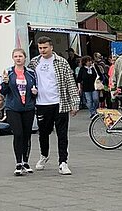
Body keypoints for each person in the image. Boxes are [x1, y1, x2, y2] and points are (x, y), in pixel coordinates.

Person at [29, 36, 80, 175]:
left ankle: (63, 162)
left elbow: (70, 82)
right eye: (40, 48)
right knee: (43, 133)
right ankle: (44, 155)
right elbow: (28, 80)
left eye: (45, 47)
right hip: (41, 103)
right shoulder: (34, 63)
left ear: (51, 47)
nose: (42, 50)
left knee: (62, 134)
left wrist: (74, 103)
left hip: (60, 103)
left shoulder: (61, 62)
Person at [1, 48, 38, 175]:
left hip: (28, 108)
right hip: (13, 108)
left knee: (27, 135)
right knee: (18, 134)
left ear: (25, 58)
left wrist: (35, 93)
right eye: (16, 56)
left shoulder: (31, 73)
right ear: (13, 58)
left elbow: (35, 88)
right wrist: (5, 83)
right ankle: (18, 162)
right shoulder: (9, 72)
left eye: (20, 56)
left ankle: (26, 161)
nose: (18, 58)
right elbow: (3, 92)